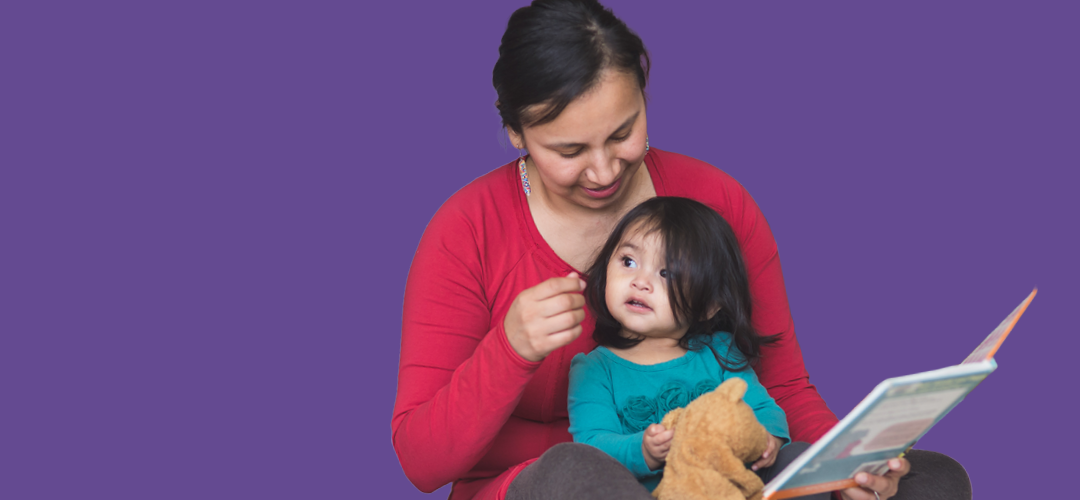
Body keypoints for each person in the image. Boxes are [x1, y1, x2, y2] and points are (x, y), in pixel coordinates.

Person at [392, 1, 970, 499]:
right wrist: (511, 348)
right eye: (568, 149)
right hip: (555, 483)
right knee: (574, 474)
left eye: (623, 133)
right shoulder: (465, 230)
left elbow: (783, 384)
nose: (602, 171)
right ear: (517, 133)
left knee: (930, 480)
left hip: (717, 475)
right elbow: (423, 463)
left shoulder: (714, 200)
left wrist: (845, 466)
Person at [567, 196, 796, 492]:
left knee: (796, 455)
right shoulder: (594, 369)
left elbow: (762, 407)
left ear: (709, 305)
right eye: (628, 261)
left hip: (727, 487)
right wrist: (644, 451)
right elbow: (591, 445)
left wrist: (768, 438)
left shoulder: (719, 350)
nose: (640, 281)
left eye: (667, 273)